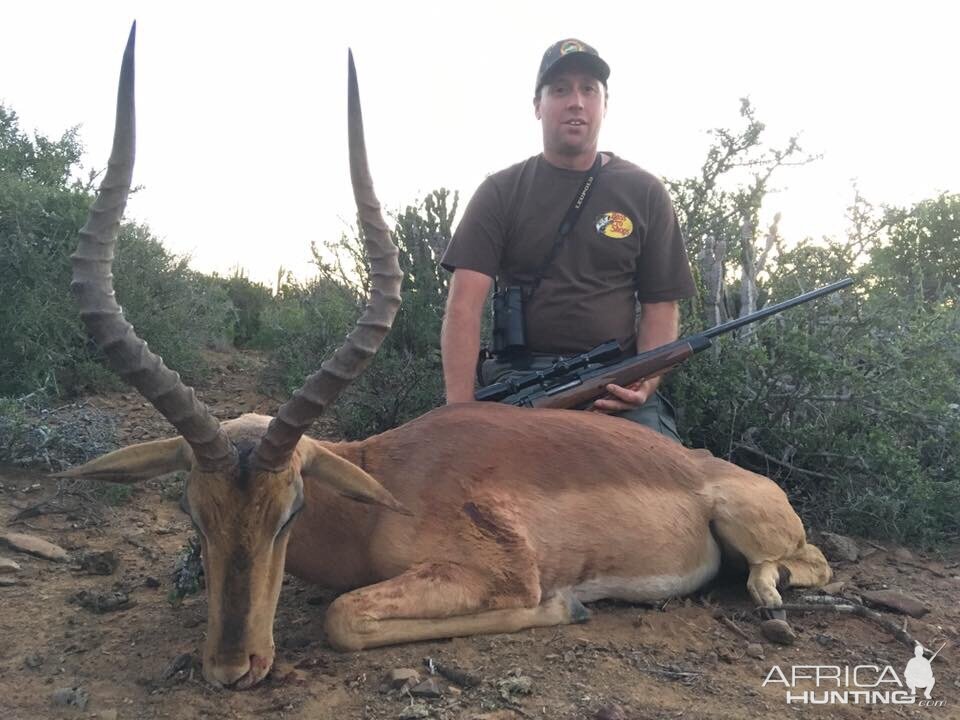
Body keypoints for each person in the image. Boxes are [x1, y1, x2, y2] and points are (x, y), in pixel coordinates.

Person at [439, 38, 696, 441]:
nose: (575, 102)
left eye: (588, 89)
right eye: (560, 90)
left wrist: (645, 379)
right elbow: (464, 307)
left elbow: (660, 306)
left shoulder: (644, 192)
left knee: (671, 480)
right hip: (519, 381)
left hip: (614, 380)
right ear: (538, 105)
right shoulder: (500, 191)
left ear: (604, 104)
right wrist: (460, 415)